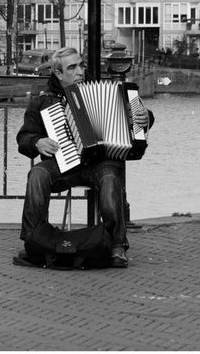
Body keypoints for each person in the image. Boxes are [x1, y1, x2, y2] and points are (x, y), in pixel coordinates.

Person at [16, 47, 154, 268]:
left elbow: (138, 117)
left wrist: (145, 118)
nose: (80, 71)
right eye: (72, 67)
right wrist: (37, 142)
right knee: (37, 174)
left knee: (110, 179)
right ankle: (33, 241)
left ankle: (117, 246)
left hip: (101, 163)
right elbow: (24, 138)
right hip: (64, 164)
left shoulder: (106, 91)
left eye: (81, 65)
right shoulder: (44, 102)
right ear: (59, 74)